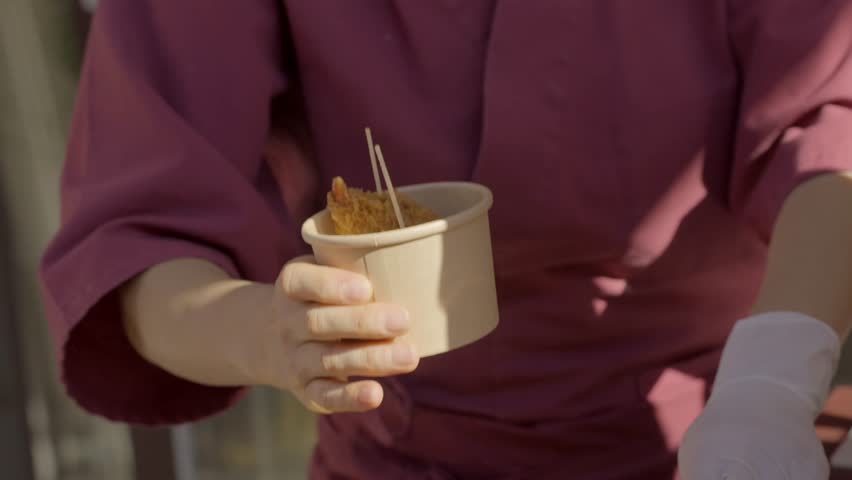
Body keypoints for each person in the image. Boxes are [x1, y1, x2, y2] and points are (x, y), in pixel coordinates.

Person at [39, 1, 852, 478]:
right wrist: (268, 334)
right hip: (396, 455)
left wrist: (771, 387)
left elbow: (830, 130)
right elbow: (139, 234)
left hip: (715, 438)